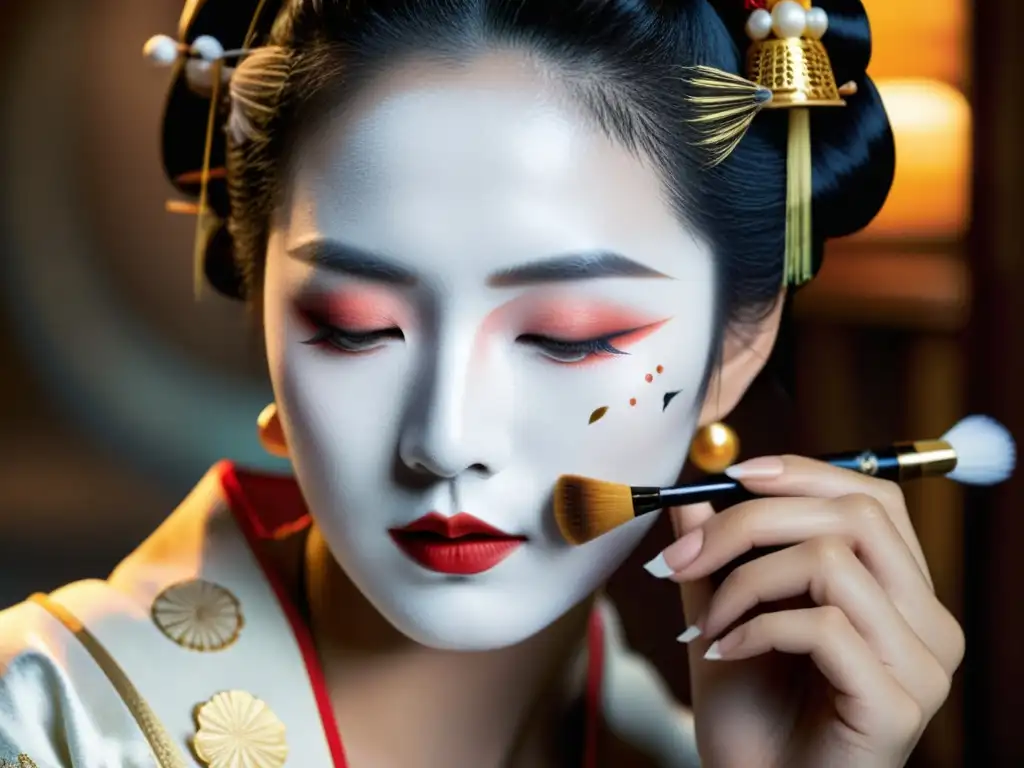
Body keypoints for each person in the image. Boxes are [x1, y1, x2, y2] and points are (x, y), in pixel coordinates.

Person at [0, 1, 964, 766]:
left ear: (735, 349)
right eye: (357, 329)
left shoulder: (680, 747)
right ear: (265, 311)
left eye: (566, 337)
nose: (447, 437)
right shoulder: (45, 722)